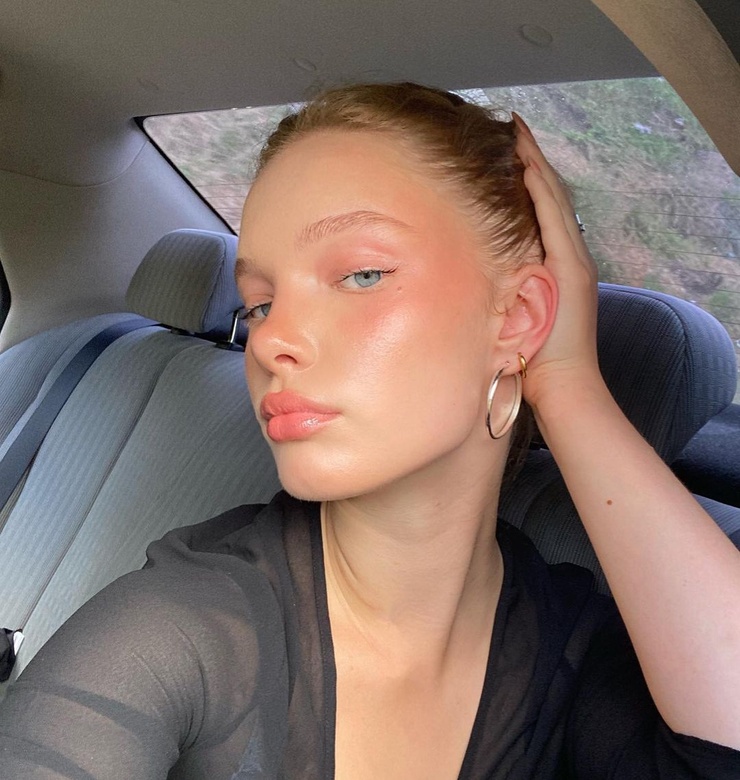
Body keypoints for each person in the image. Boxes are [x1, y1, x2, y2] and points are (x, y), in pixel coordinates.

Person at [1, 82, 739, 779]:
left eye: (360, 275)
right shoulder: (172, 634)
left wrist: (570, 382)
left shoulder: (573, 651)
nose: (270, 339)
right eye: (258, 304)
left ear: (517, 316)